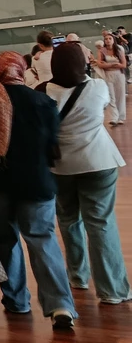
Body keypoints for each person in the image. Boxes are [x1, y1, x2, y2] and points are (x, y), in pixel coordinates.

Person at [0, 52, 76, 329]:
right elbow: (52, 146)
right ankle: (60, 306)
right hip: (37, 183)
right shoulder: (44, 101)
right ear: (22, 70)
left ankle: (16, 301)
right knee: (43, 241)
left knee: (4, 241)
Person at [46, 42, 131, 305]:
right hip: (98, 161)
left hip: (60, 167)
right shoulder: (97, 87)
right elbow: (103, 105)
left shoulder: (43, 91)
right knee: (100, 223)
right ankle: (112, 290)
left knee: (68, 219)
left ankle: (78, 277)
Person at [96, 31, 127, 125]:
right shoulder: (102, 50)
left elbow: (123, 64)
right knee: (111, 96)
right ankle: (114, 117)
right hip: (108, 75)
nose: (108, 40)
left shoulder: (119, 49)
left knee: (120, 96)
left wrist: (108, 64)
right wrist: (114, 64)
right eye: (106, 39)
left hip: (119, 75)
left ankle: (121, 117)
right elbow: (100, 64)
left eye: (110, 38)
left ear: (113, 40)